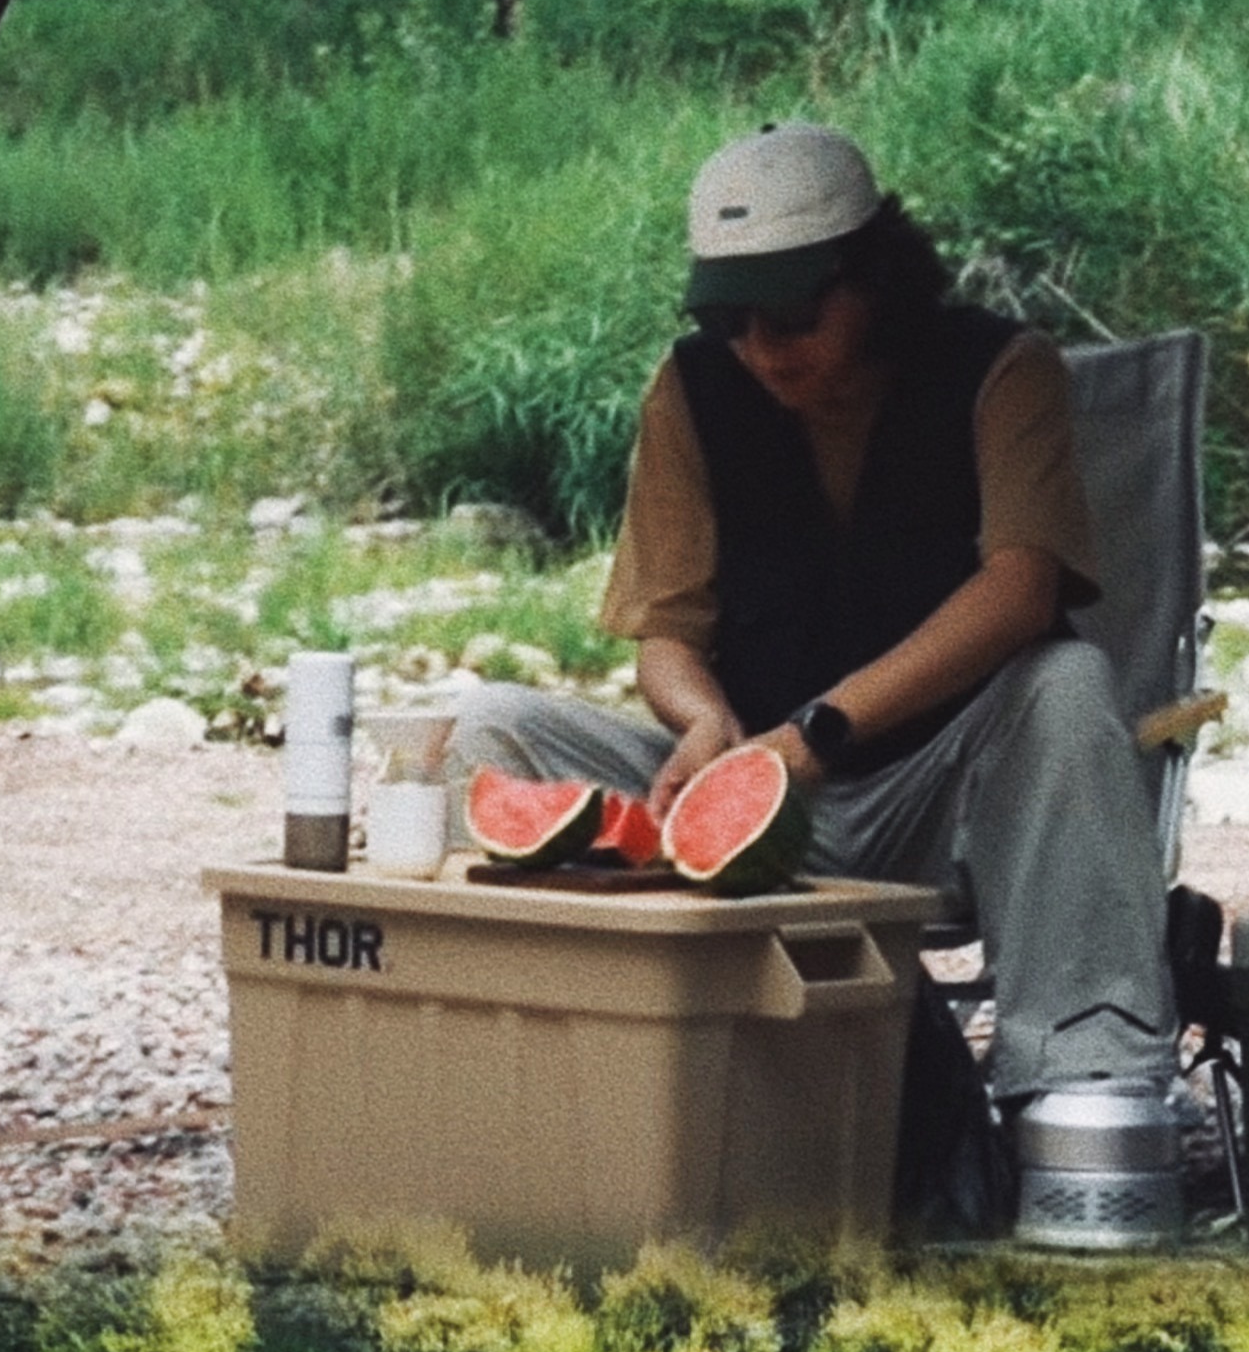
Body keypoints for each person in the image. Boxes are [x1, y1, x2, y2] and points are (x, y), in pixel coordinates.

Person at [457, 116, 1179, 1106]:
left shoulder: (1004, 373)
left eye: (790, 317)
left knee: (1064, 679)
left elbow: (1021, 589)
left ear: (871, 279)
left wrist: (818, 733)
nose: (758, 349)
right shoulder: (688, 390)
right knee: (492, 727)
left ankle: (1085, 1083)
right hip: (751, 772)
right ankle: (521, 1084)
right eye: (729, 322)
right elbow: (666, 629)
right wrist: (702, 721)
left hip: (945, 804)